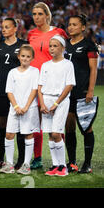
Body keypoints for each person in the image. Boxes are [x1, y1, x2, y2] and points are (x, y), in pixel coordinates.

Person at [27, 2, 68, 170]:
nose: (36, 17)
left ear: (47, 15)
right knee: (36, 122)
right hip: (35, 81)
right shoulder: (31, 34)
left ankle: (60, 160)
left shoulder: (58, 32)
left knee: (57, 123)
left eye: (39, 14)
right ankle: (37, 157)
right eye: (34, 14)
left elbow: (67, 52)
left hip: (54, 82)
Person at [64, 14, 99, 174]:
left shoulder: (89, 45)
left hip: (82, 92)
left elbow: (93, 69)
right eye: (69, 24)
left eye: (75, 24)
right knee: (69, 127)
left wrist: (90, 90)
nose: (71, 27)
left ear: (83, 27)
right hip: (66, 93)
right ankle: (72, 162)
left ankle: (88, 163)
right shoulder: (64, 45)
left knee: (86, 128)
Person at [38, 35, 75, 177]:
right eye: (50, 46)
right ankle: (55, 165)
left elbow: (69, 85)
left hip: (60, 102)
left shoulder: (67, 64)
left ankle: (63, 166)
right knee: (50, 135)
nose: (52, 48)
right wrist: (42, 103)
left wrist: (56, 103)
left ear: (63, 48)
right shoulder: (45, 65)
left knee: (56, 133)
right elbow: (40, 86)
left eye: (55, 46)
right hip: (46, 102)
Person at [0, 44, 39, 175]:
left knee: (28, 134)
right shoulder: (12, 72)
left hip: (29, 109)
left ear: (32, 58)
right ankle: (9, 164)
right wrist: (16, 106)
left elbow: (34, 90)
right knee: (9, 134)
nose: (25, 59)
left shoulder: (35, 71)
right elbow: (9, 91)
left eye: (28, 57)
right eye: (23, 56)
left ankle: (26, 164)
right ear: (18, 57)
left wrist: (26, 106)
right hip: (14, 109)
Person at [0, 18, 28, 169]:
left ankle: (21, 159)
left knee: (20, 127)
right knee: (2, 125)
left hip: (18, 91)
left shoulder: (22, 45)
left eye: (7, 27)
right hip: (1, 90)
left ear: (15, 28)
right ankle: (0, 157)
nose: (4, 30)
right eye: (2, 27)